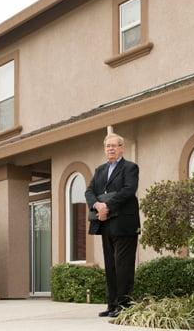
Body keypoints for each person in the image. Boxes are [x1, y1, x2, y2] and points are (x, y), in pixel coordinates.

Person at [85, 132, 140, 318]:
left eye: (114, 146)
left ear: (121, 148)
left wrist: (107, 205)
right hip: (105, 224)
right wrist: (97, 205)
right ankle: (112, 304)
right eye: (107, 146)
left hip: (124, 223)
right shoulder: (100, 170)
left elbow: (128, 191)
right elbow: (89, 191)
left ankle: (124, 306)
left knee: (123, 265)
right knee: (110, 265)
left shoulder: (130, 168)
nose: (110, 149)